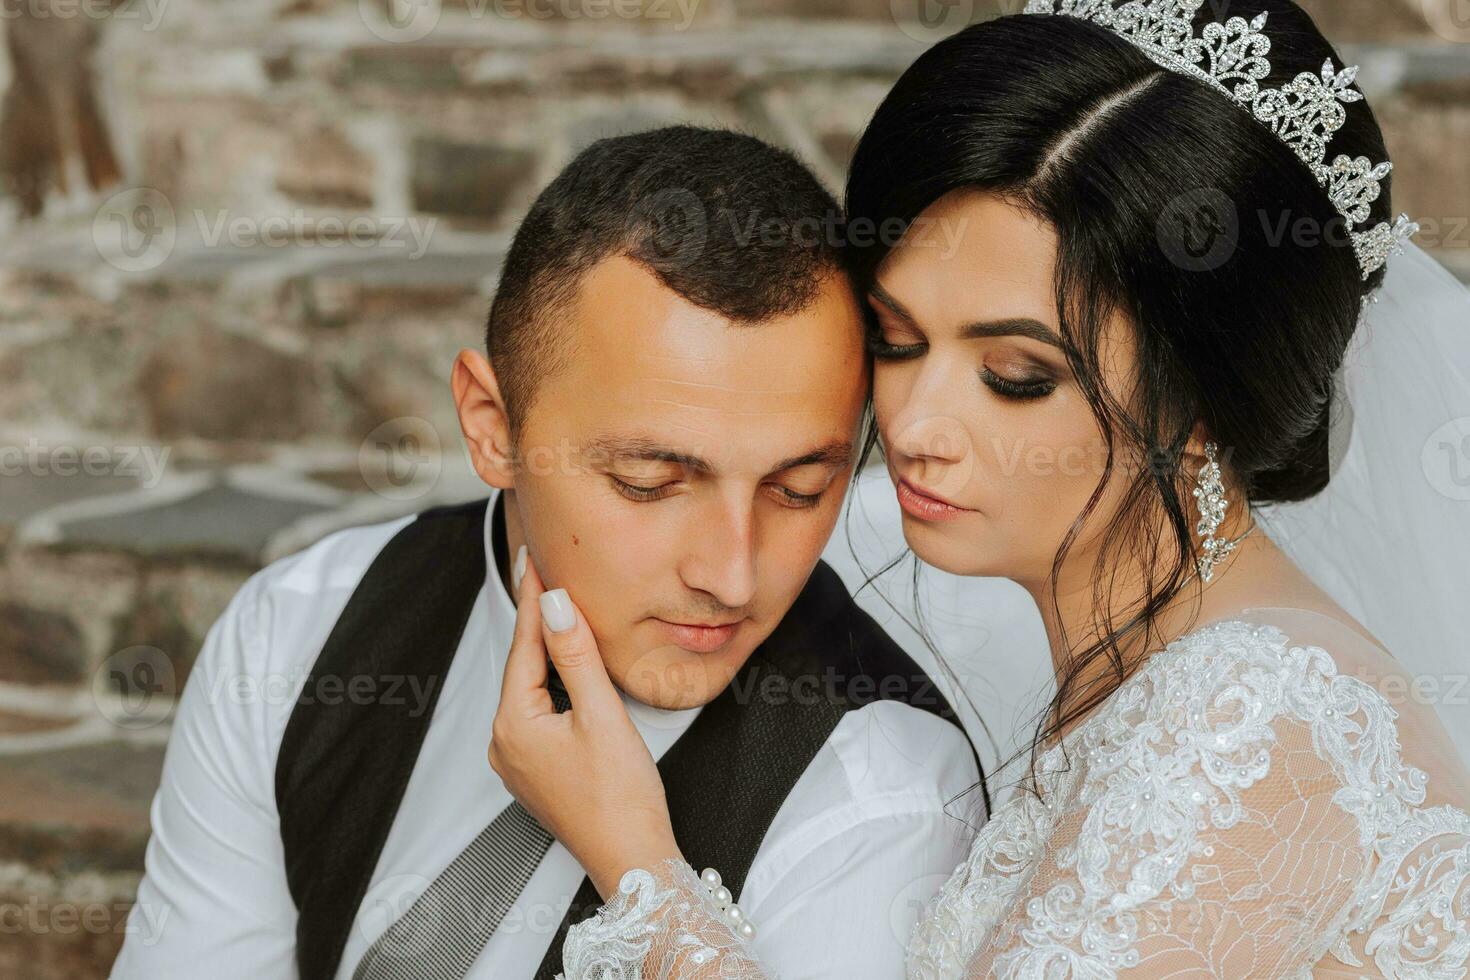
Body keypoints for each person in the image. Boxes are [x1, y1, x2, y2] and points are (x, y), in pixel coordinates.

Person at [489, 3, 1470, 977]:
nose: (915, 427)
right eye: (897, 341)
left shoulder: (1247, 712)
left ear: (1205, 399)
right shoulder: (1158, 668)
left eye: (1015, 376)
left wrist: (638, 862)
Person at [109, 127, 984, 980]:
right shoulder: (297, 628)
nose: (731, 575)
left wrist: (639, 872)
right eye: (649, 479)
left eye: (798, 489)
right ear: (493, 429)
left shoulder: (888, 795)